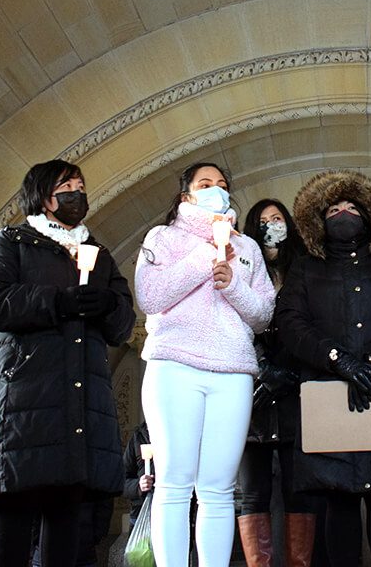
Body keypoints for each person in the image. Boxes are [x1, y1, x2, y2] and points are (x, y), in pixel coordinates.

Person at [0, 159, 135, 567]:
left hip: (76, 404)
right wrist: (56, 301)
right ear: (45, 197)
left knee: (66, 515)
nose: (77, 192)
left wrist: (108, 305)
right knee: (15, 506)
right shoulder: (15, 242)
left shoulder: (97, 253)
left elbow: (123, 322)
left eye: (80, 184)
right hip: (25, 400)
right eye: (67, 185)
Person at [275, 170, 371, 566]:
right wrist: (339, 360)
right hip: (328, 395)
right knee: (337, 503)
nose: (344, 213)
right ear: (318, 222)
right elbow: (290, 322)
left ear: (369, 216)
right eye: (334, 208)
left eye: (353, 207)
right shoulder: (306, 270)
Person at [135, 162, 276, 567]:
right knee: (174, 483)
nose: (216, 190)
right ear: (186, 196)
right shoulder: (163, 237)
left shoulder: (246, 248)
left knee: (217, 489)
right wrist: (206, 256)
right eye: (205, 184)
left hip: (232, 371)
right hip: (174, 366)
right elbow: (151, 295)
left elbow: (264, 314)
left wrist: (231, 282)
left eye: (222, 185)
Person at [238, 198, 317, 567]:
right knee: (252, 493)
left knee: (298, 490)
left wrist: (293, 372)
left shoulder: (304, 270)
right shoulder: (242, 267)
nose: (272, 225)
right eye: (264, 220)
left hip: (295, 390)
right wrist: (260, 366)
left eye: (278, 218)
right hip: (251, 392)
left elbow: (314, 326)